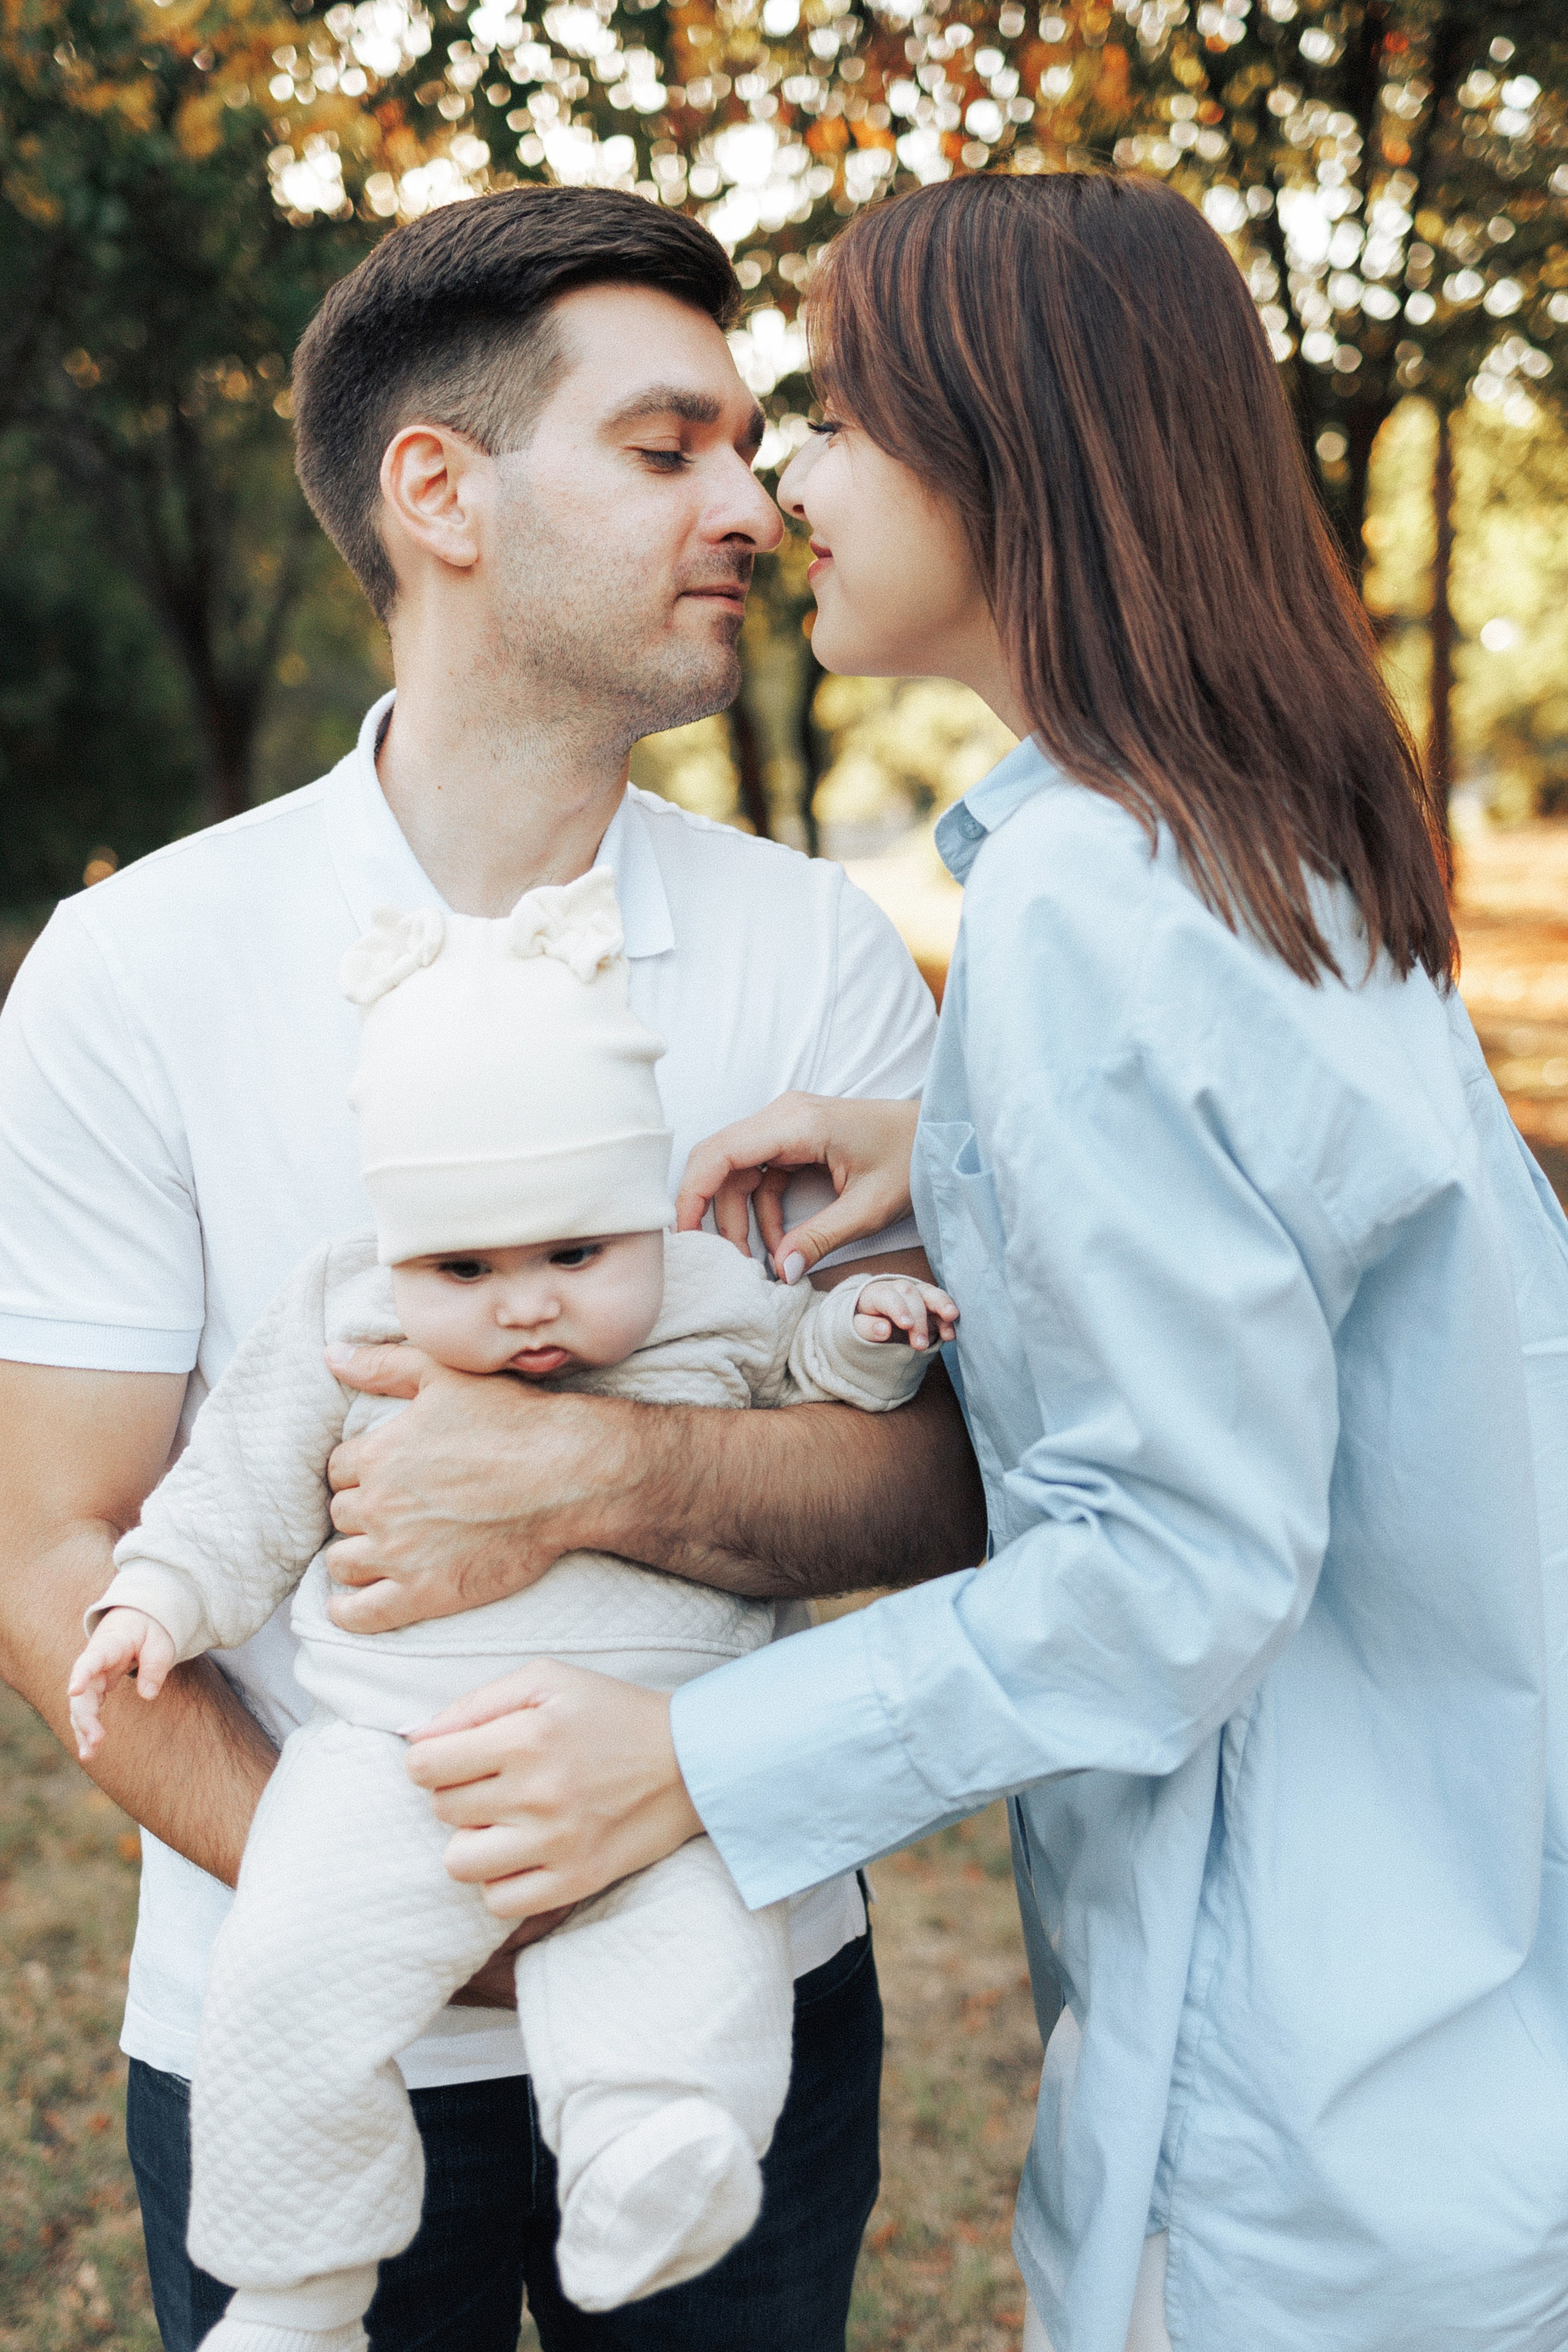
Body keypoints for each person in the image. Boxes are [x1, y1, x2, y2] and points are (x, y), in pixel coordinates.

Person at [381, 174, 1568, 2352]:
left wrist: (694, 1765)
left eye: (843, 414)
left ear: (1015, 446)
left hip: (1302, 2131)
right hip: (1466, 2024)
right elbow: (1358, 1248)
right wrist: (974, 1157)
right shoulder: (1273, 844)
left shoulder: (1092, 909)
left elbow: (1178, 1566)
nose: (789, 478)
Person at [0, 186, 986, 2352]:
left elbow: (958, 1487)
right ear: (433, 492)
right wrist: (411, 1925)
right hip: (293, 2011)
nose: (755, 502)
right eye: (667, 450)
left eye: (749, 444)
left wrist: (591, 1480)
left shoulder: (816, 961)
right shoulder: (132, 970)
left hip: (745, 1999)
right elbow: (62, 1548)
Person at [68, 866, 957, 2351]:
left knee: (691, 1977)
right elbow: (234, 1492)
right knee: (287, 1972)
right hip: (385, 1770)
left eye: (571, 1254)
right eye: (464, 1268)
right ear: (395, 1246)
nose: (526, 1304)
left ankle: (642, 2171)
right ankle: (295, 2285)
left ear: (637, 1214)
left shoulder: (704, 1295)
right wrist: (156, 1598)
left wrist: (871, 1338)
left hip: (671, 1776)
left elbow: (820, 1383)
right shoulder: (344, 1314)